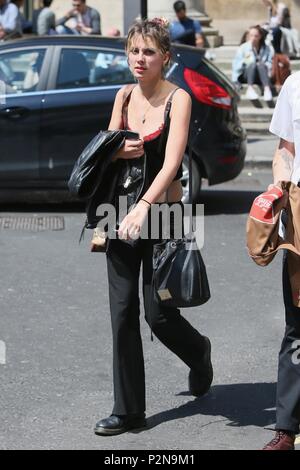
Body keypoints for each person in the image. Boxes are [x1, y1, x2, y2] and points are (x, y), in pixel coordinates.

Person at [93, 18, 213, 436]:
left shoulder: (178, 99)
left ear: (165, 57)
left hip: (163, 214)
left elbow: (172, 163)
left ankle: (199, 354)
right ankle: (128, 411)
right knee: (122, 311)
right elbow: (103, 154)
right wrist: (115, 151)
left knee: (160, 314)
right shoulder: (123, 95)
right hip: (120, 214)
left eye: (148, 52)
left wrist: (145, 206)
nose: (139, 59)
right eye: (133, 51)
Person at [261, 72, 300, 450]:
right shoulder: (295, 84)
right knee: (298, 319)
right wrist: (278, 188)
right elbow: (286, 149)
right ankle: (286, 426)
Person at [232, 25, 274, 101]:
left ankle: (267, 89)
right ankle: (250, 89)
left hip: (262, 74)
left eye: (256, 36)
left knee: (261, 64)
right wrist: (246, 60)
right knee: (253, 64)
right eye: (251, 36)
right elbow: (236, 66)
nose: (253, 38)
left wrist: (265, 65)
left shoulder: (266, 48)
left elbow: (270, 62)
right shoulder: (243, 47)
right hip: (246, 75)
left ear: (260, 36)